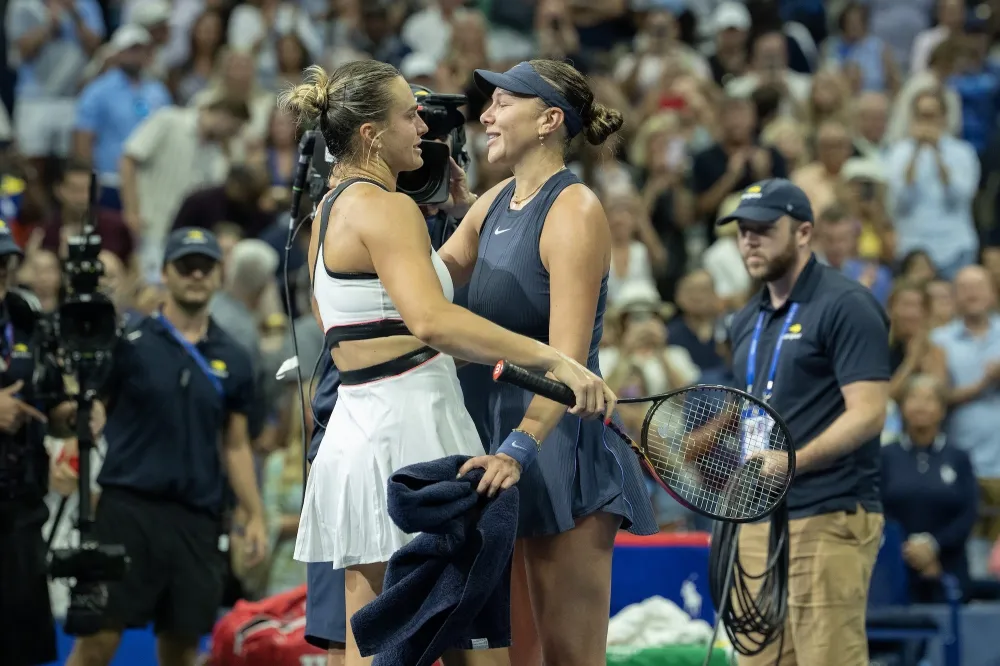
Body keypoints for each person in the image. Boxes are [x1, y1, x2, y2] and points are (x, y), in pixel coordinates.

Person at [280, 61, 615, 666]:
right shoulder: (400, 208)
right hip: (418, 427)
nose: (433, 126)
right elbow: (431, 315)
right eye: (412, 114)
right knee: (464, 641)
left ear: (549, 119)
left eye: (502, 101)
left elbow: (420, 284)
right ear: (370, 135)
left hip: (446, 435)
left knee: (386, 635)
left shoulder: (334, 207)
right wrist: (553, 360)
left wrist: (447, 214)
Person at [437, 59, 658, 666]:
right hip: (490, 445)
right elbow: (430, 292)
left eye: (503, 103)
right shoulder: (489, 203)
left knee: (568, 659)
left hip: (553, 448)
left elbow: (563, 362)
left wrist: (521, 448)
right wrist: (433, 207)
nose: (486, 115)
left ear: (549, 120)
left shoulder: (575, 209)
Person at [66, 227, 268, 666]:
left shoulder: (234, 356)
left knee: (181, 650)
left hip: (196, 519)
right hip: (125, 512)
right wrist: (80, 432)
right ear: (165, 273)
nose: (196, 275)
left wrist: (254, 514)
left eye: (205, 266)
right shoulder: (127, 344)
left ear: (219, 275)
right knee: (97, 641)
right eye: (186, 266)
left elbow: (235, 446)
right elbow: (90, 410)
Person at [717, 178, 890, 666]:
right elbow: (754, 411)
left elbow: (869, 413)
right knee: (757, 657)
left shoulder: (846, 304)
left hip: (830, 509)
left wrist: (793, 461)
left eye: (764, 229)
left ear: (803, 233)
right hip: (759, 516)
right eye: (742, 230)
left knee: (828, 656)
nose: (749, 240)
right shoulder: (745, 320)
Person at [0, 219, 97, 666]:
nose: (1, 270)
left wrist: (72, 415)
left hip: (20, 507)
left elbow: (51, 406)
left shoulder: (26, 320)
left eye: (6, 261)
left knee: (23, 645)